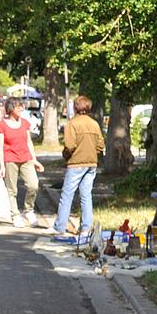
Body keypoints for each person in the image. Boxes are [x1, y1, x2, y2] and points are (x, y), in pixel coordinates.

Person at [46, 95, 105, 235]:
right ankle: (86, 228)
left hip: (76, 163)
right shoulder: (94, 124)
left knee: (67, 195)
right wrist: (93, 154)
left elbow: (70, 145)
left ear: (75, 108)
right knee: (86, 196)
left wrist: (66, 156)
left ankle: (60, 226)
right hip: (91, 163)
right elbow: (101, 145)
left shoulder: (72, 124)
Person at [0, 97, 45, 228]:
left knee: (33, 185)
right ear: (11, 109)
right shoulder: (2, 125)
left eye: (21, 106)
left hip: (26, 158)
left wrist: (34, 160)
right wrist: (2, 165)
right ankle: (15, 215)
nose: (21, 109)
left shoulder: (24, 123)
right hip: (10, 159)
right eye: (18, 107)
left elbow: (29, 142)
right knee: (12, 190)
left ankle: (28, 210)